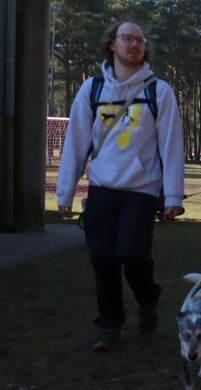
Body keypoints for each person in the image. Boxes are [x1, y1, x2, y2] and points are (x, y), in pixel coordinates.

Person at [56, 20, 185, 351]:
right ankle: (110, 326)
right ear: (112, 43)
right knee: (102, 258)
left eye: (140, 40)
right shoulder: (92, 89)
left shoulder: (159, 91)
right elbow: (75, 143)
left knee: (132, 253)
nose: (135, 44)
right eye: (127, 38)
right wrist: (65, 191)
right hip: (102, 187)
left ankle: (147, 298)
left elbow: (171, 145)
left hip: (141, 190)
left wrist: (173, 194)